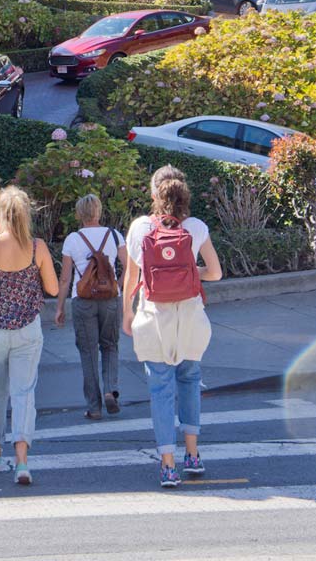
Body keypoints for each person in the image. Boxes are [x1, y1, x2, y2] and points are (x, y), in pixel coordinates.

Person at [122, 166, 223, 488]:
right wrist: (190, 272)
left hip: (154, 317)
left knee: (161, 388)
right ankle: (193, 455)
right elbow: (216, 273)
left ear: (154, 194)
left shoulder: (139, 228)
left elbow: (132, 277)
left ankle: (168, 465)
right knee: (190, 380)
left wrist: (127, 312)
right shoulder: (195, 228)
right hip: (190, 316)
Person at [0, 186, 59, 486]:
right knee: (24, 393)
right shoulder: (38, 248)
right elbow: (52, 289)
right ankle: (22, 461)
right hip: (27, 328)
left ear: (0, 214)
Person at [55, 194, 127, 419]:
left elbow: (65, 279)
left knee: (88, 352)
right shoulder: (114, 236)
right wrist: (118, 286)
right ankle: (110, 390)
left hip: (83, 300)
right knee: (110, 346)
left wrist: (59, 308)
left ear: (79, 214)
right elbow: (130, 266)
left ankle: (94, 407)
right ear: (99, 211)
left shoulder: (72, 240)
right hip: (110, 300)